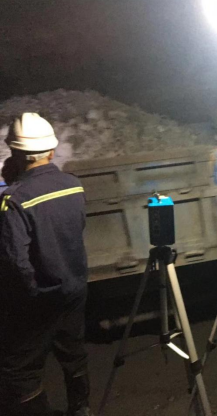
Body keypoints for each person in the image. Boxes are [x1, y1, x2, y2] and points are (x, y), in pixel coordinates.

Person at [0, 113, 92, 416]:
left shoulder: (14, 199)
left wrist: (29, 297)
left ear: (14, 153)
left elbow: (15, 262)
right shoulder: (73, 185)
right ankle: (81, 409)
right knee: (73, 353)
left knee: (19, 369)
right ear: (51, 151)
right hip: (74, 289)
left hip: (40, 299)